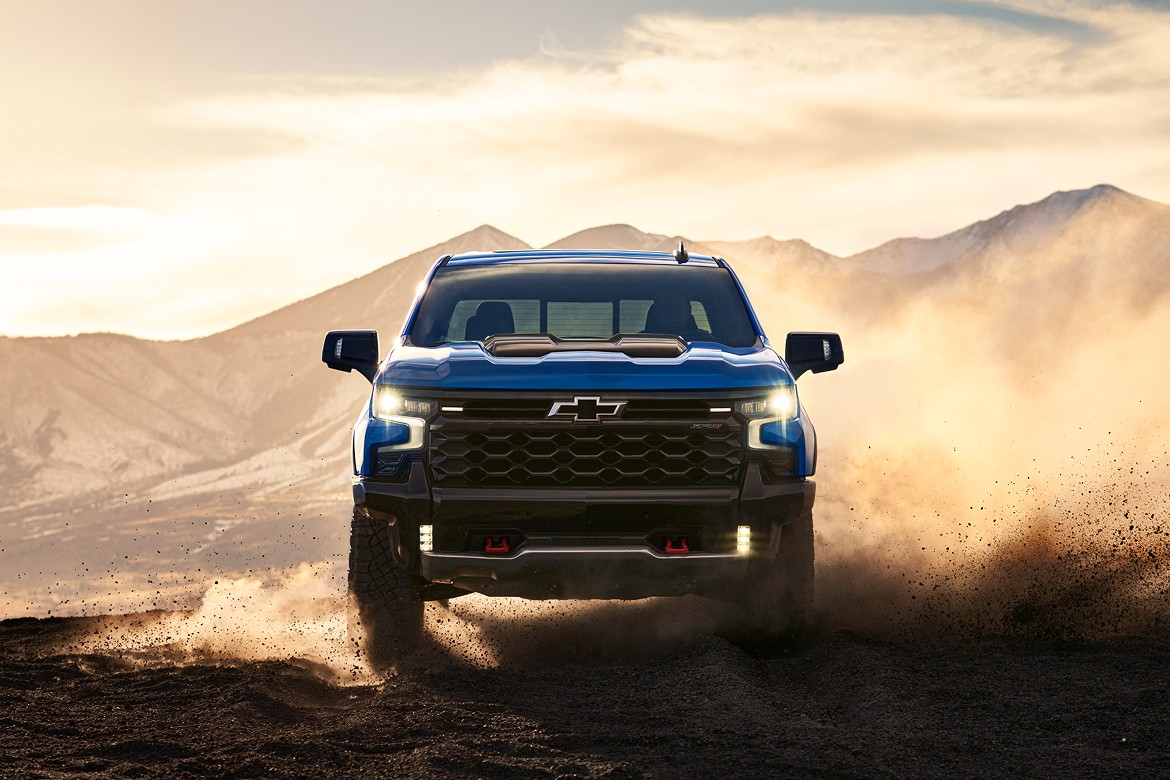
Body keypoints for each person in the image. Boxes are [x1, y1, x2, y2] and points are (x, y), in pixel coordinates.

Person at [642, 292, 711, 341]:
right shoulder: (638, 341)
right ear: (656, 311)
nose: (673, 310)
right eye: (666, 306)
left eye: (678, 305)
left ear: (688, 310)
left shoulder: (707, 341)